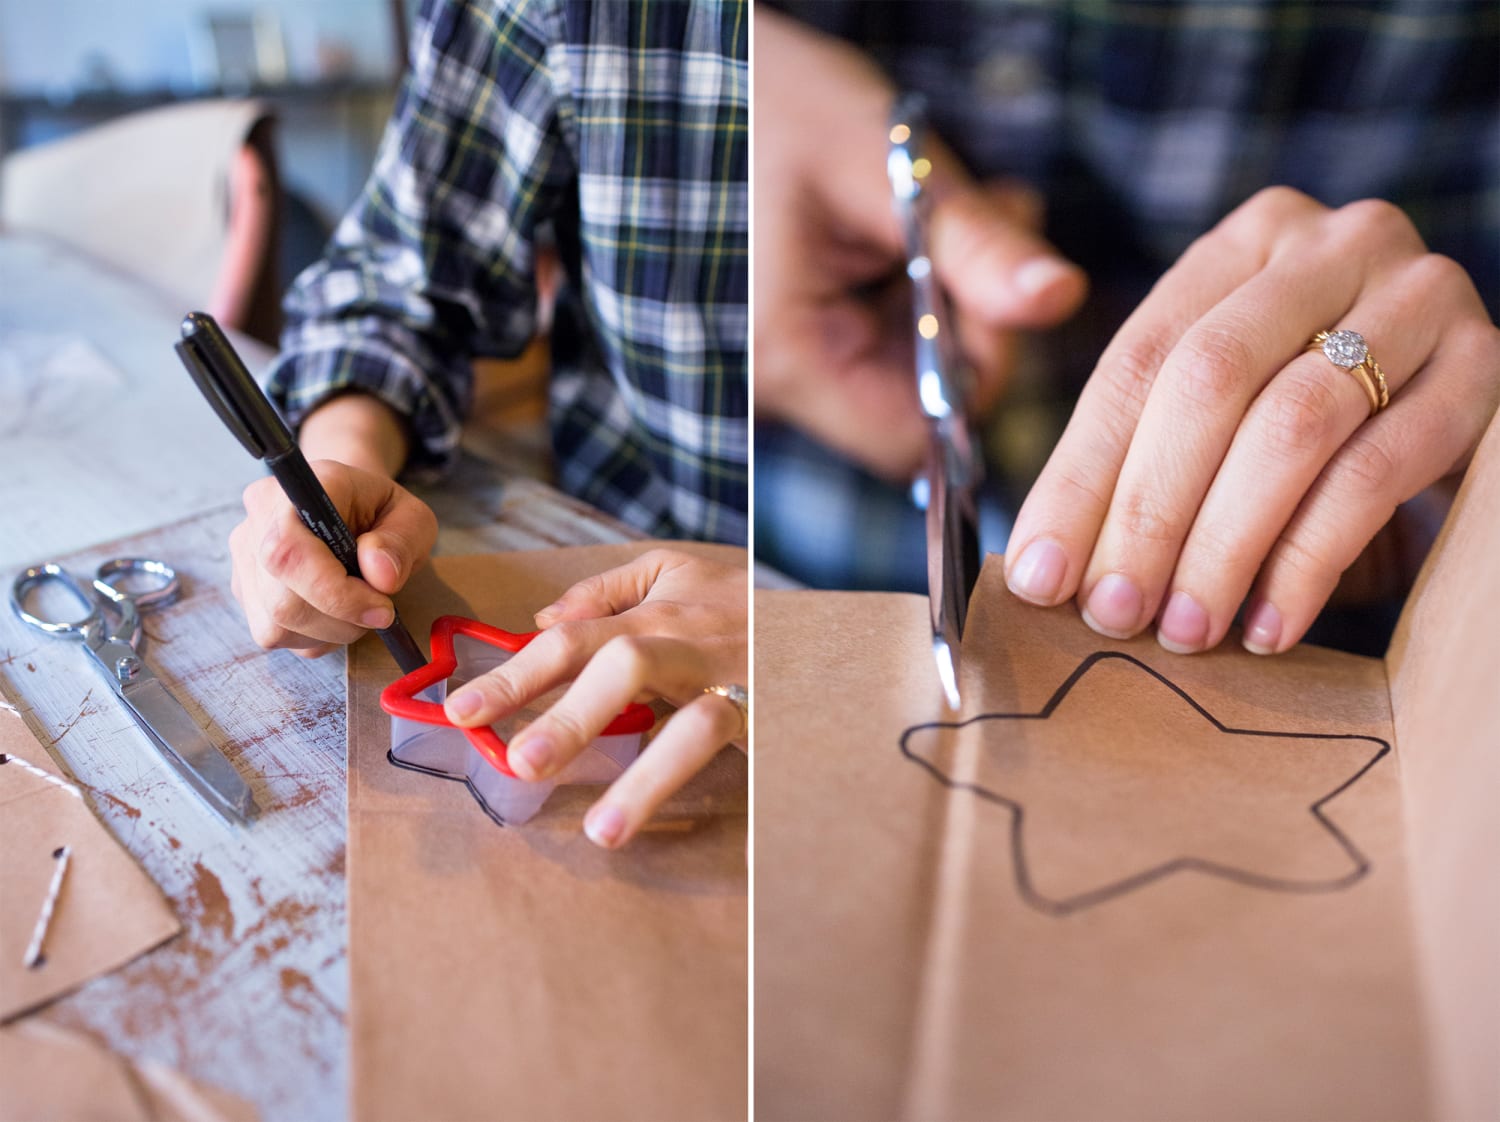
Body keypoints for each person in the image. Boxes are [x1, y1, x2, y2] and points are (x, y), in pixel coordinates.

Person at [754, 2, 1499, 657]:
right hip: (758, 581)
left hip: (1332, 667)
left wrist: (1460, 489)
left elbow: (1453, 412)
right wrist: (712, 90)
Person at [229, 0, 748, 849]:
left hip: (900, 610)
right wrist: (341, 467)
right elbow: (398, 294)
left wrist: (813, 640)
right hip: (618, 550)